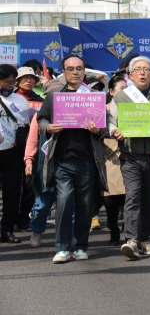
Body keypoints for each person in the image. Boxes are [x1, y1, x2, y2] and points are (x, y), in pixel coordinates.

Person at [37, 55, 108, 263]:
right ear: (64, 73)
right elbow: (41, 118)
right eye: (70, 69)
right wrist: (47, 128)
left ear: (84, 71)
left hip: (87, 159)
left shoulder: (94, 95)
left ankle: (80, 246)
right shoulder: (53, 96)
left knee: (85, 204)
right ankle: (61, 247)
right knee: (64, 201)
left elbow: (104, 125)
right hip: (62, 159)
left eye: (79, 68)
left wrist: (98, 130)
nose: (75, 72)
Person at [108, 56, 150, 259]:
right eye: (137, 69)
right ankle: (131, 239)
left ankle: (145, 239)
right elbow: (110, 121)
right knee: (133, 196)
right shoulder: (121, 97)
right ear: (130, 75)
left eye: (146, 69)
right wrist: (114, 132)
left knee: (149, 198)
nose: (142, 73)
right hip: (130, 154)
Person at [25, 79, 65, 248]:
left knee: (68, 202)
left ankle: (66, 238)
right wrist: (29, 161)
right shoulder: (38, 115)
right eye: (51, 94)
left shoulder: (74, 113)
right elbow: (32, 140)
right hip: (45, 165)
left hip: (68, 161)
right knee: (42, 204)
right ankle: (36, 229)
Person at [0, 64, 29, 244]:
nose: (11, 86)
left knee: (12, 193)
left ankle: (7, 229)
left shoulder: (20, 100)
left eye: (13, 83)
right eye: (7, 82)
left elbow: (26, 123)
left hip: (13, 152)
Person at [14, 67, 44, 232]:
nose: (29, 81)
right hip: (13, 146)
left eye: (31, 78)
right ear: (17, 81)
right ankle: (10, 218)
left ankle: (24, 218)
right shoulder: (9, 98)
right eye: (24, 78)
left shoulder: (40, 100)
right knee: (12, 186)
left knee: (29, 184)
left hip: (33, 146)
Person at [103, 76, 127, 246]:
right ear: (111, 92)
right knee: (110, 200)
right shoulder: (102, 110)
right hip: (110, 158)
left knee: (129, 198)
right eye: (121, 88)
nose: (125, 92)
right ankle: (113, 231)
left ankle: (129, 231)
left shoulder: (136, 110)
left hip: (130, 157)